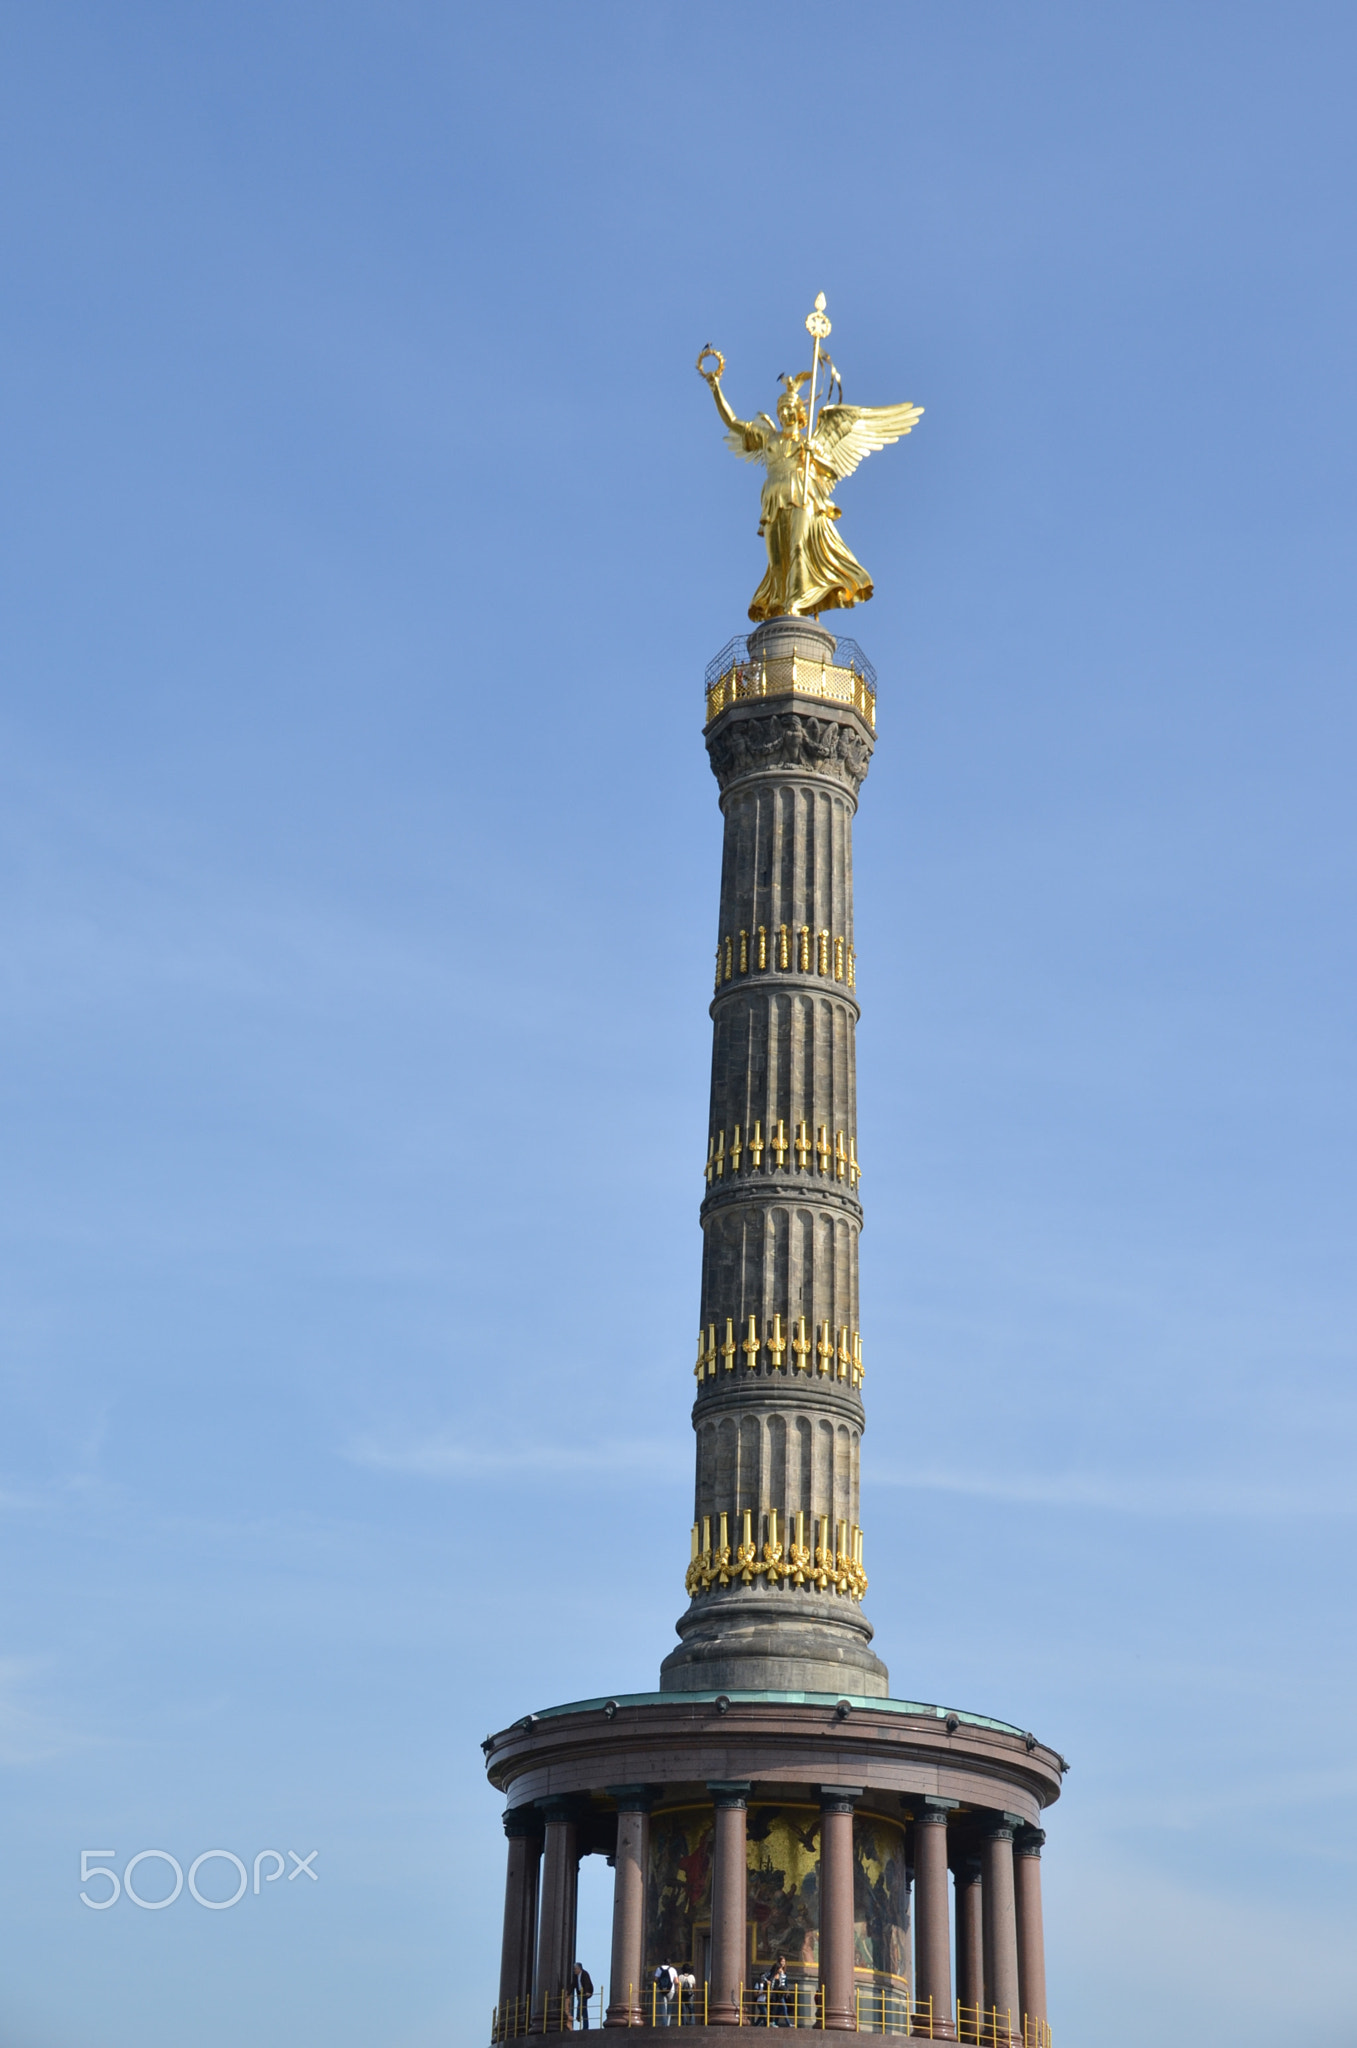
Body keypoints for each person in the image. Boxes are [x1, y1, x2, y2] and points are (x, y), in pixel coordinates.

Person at [653, 1961, 677, 2027]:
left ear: (663, 1963)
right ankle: (668, 2023)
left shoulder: (659, 1969)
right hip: (671, 1990)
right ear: (670, 1963)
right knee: (669, 2007)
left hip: (662, 1990)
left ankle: (664, 2022)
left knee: (663, 2006)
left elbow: (655, 1979)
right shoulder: (673, 1969)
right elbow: (676, 1981)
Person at [571, 1962, 594, 2030]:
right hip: (579, 1993)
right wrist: (568, 1992)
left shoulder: (584, 1974)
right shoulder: (575, 1976)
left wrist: (587, 1992)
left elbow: (587, 1983)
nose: (574, 1970)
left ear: (579, 1969)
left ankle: (578, 2015)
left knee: (581, 2004)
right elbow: (573, 1984)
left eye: (575, 1969)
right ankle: (585, 2025)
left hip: (585, 1993)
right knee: (584, 2009)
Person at [770, 1959, 790, 2027]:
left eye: (784, 1962)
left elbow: (783, 1983)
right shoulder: (774, 1974)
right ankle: (788, 2023)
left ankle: (774, 2022)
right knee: (782, 2007)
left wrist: (786, 1990)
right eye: (782, 1962)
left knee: (779, 2008)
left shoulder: (783, 1973)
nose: (783, 1963)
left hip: (781, 1992)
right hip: (776, 1993)